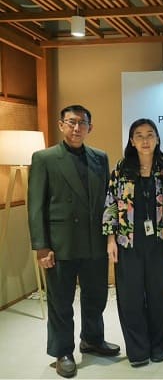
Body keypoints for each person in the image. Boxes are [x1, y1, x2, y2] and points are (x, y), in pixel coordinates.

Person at [28, 105, 120, 378]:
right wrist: (42, 246)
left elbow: (106, 200)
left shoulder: (100, 157)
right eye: (71, 122)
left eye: (82, 123)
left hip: (94, 242)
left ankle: (92, 339)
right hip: (60, 244)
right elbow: (35, 205)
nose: (76, 128)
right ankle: (63, 352)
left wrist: (110, 236)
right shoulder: (44, 158)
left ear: (90, 127)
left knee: (96, 297)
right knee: (61, 302)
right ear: (61, 125)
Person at [102, 119, 163, 367]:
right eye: (139, 135)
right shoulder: (122, 168)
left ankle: (159, 345)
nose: (145, 140)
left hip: (161, 240)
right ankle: (137, 349)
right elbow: (110, 203)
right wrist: (111, 239)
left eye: (150, 135)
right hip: (128, 242)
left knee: (160, 295)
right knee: (130, 297)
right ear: (132, 141)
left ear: (157, 138)